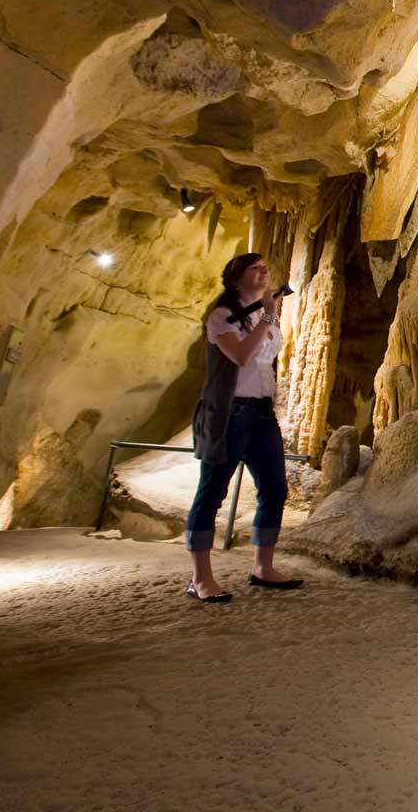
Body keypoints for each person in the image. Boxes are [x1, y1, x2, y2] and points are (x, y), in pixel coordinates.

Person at [185, 252, 302, 602]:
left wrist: (267, 318)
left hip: (262, 413)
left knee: (275, 488)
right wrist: (267, 316)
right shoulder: (222, 317)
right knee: (212, 492)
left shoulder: (263, 318)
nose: (264, 272)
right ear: (236, 277)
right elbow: (241, 356)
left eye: (266, 268)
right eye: (255, 268)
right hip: (230, 413)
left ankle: (262, 567)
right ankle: (200, 578)